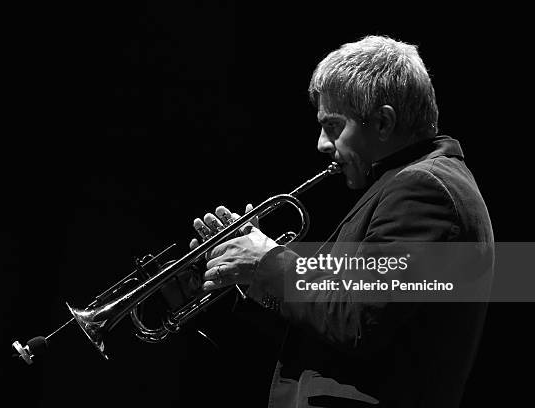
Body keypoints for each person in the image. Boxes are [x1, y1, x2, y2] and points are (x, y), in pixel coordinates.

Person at [190, 36, 493, 407]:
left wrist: (267, 261)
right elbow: (326, 328)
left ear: (383, 121)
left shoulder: (423, 189)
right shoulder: (411, 184)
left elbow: (358, 319)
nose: (321, 143)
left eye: (333, 126)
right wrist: (243, 275)